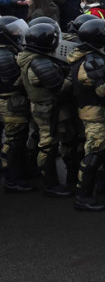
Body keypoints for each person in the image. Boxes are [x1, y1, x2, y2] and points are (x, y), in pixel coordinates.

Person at [17, 22, 76, 197]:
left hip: (41, 106)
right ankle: (50, 184)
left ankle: (33, 170)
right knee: (48, 145)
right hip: (48, 108)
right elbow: (59, 87)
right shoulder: (40, 63)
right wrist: (73, 75)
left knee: (41, 140)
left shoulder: (30, 56)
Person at [0, 18, 33, 193]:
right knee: (15, 140)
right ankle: (12, 179)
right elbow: (18, 82)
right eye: (14, 31)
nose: (18, 33)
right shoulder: (6, 55)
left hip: (6, 100)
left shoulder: (7, 51)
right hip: (10, 102)